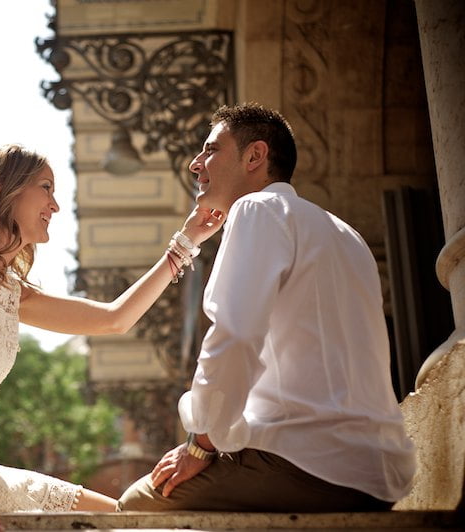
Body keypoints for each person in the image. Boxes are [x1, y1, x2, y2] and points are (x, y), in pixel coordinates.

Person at [0, 144, 224, 531]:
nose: (55, 205)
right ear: (1, 187)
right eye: (45, 187)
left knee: (125, 517)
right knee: (125, 524)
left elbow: (114, 319)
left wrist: (188, 240)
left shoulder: (7, 287)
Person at [117, 103, 417, 512]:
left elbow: (236, 336)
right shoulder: (348, 234)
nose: (195, 164)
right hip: (379, 474)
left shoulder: (256, 209)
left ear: (255, 156)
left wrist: (201, 443)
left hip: (309, 463)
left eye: (211, 149)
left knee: (138, 504)